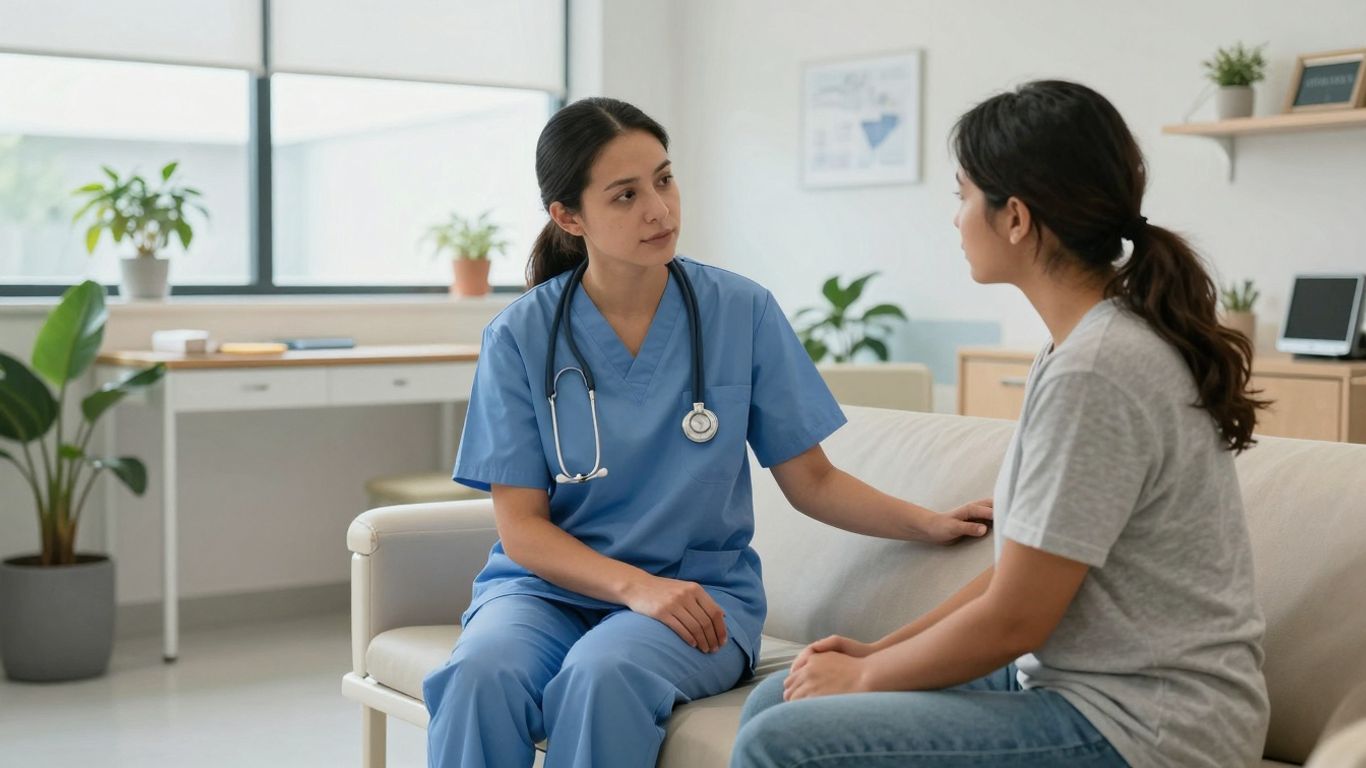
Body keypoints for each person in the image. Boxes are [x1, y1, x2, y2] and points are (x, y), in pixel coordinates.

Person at [421, 96, 993, 768]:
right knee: (479, 674)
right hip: (545, 592)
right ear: (569, 217)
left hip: (700, 597)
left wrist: (925, 523)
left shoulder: (739, 312)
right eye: (626, 195)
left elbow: (812, 480)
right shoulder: (520, 337)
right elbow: (522, 528)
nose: (659, 210)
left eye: (664, 180)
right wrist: (635, 586)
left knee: (603, 675)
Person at [731, 80, 1271, 768]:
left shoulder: (1098, 369)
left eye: (962, 196)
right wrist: (878, 651)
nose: (955, 219)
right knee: (778, 701)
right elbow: (1018, 578)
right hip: (1089, 682)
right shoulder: (1081, 344)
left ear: (1014, 217)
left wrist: (865, 678)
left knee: (783, 743)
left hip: (1151, 727)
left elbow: (1017, 618)